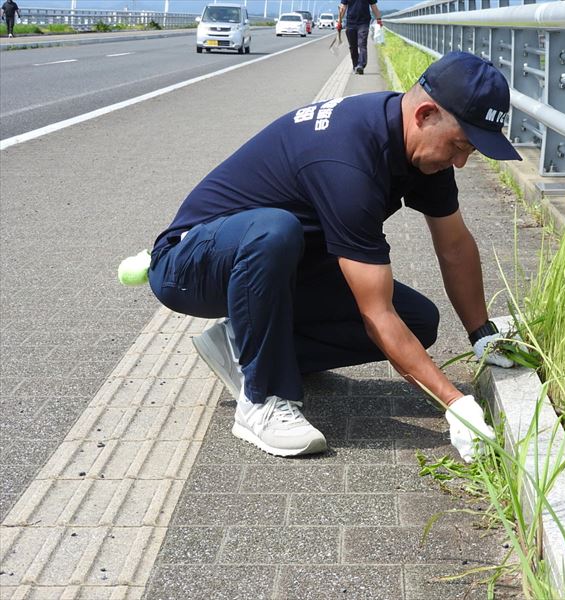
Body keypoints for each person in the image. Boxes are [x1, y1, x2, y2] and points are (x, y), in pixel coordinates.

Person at [148, 52, 522, 461]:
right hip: (191, 261)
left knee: (418, 321)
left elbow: (454, 245)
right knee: (276, 230)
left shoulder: (420, 150)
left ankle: (246, 343)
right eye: (458, 145)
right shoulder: (349, 161)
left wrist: (481, 334)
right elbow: (375, 313)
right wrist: (455, 404)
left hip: (278, 266)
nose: (461, 162)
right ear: (426, 114)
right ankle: (261, 398)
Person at [337, 0, 380, 74]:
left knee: (362, 44)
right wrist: (339, 22)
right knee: (353, 46)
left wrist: (379, 19)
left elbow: (373, 6)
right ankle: (355, 65)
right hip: (350, 22)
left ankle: (361, 65)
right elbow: (343, 7)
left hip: (364, 22)